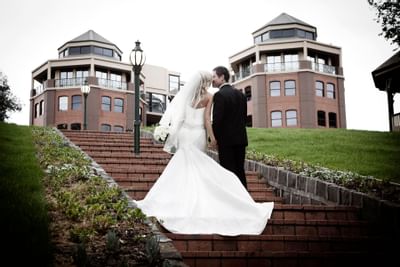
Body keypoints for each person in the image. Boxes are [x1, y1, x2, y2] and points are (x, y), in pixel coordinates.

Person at [134, 70, 273, 236]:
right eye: (210, 80)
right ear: (206, 82)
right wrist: (212, 137)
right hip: (198, 134)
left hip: (185, 134)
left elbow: (179, 118)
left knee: (183, 166)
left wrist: (171, 134)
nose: (211, 82)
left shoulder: (186, 96)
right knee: (199, 165)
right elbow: (207, 119)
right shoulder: (209, 96)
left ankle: (179, 200)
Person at [211, 66, 248, 189]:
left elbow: (217, 121)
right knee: (240, 170)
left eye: (214, 77)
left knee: (228, 171)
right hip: (241, 140)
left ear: (222, 77)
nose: (212, 80)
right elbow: (243, 118)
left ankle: (232, 201)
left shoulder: (219, 95)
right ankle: (245, 200)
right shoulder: (241, 95)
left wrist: (214, 138)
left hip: (226, 142)